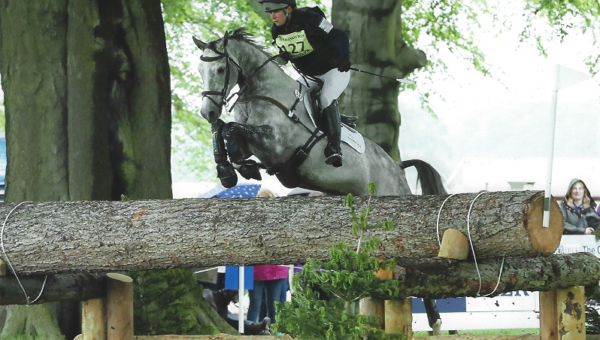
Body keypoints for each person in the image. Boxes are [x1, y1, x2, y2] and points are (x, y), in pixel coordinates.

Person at [259, 0, 351, 168]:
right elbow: (288, 50)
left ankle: (334, 148)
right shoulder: (276, 30)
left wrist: (344, 56)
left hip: (333, 71)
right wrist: (284, 56)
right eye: (270, 12)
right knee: (291, 100)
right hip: (309, 76)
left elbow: (339, 35)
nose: (272, 16)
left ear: (288, 9)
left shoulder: (310, 19)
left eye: (276, 11)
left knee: (325, 99)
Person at [247, 187, 290, 324]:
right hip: (261, 269)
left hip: (272, 268)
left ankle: (264, 331)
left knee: (267, 305)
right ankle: (255, 330)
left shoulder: (281, 220)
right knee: (263, 304)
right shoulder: (254, 220)